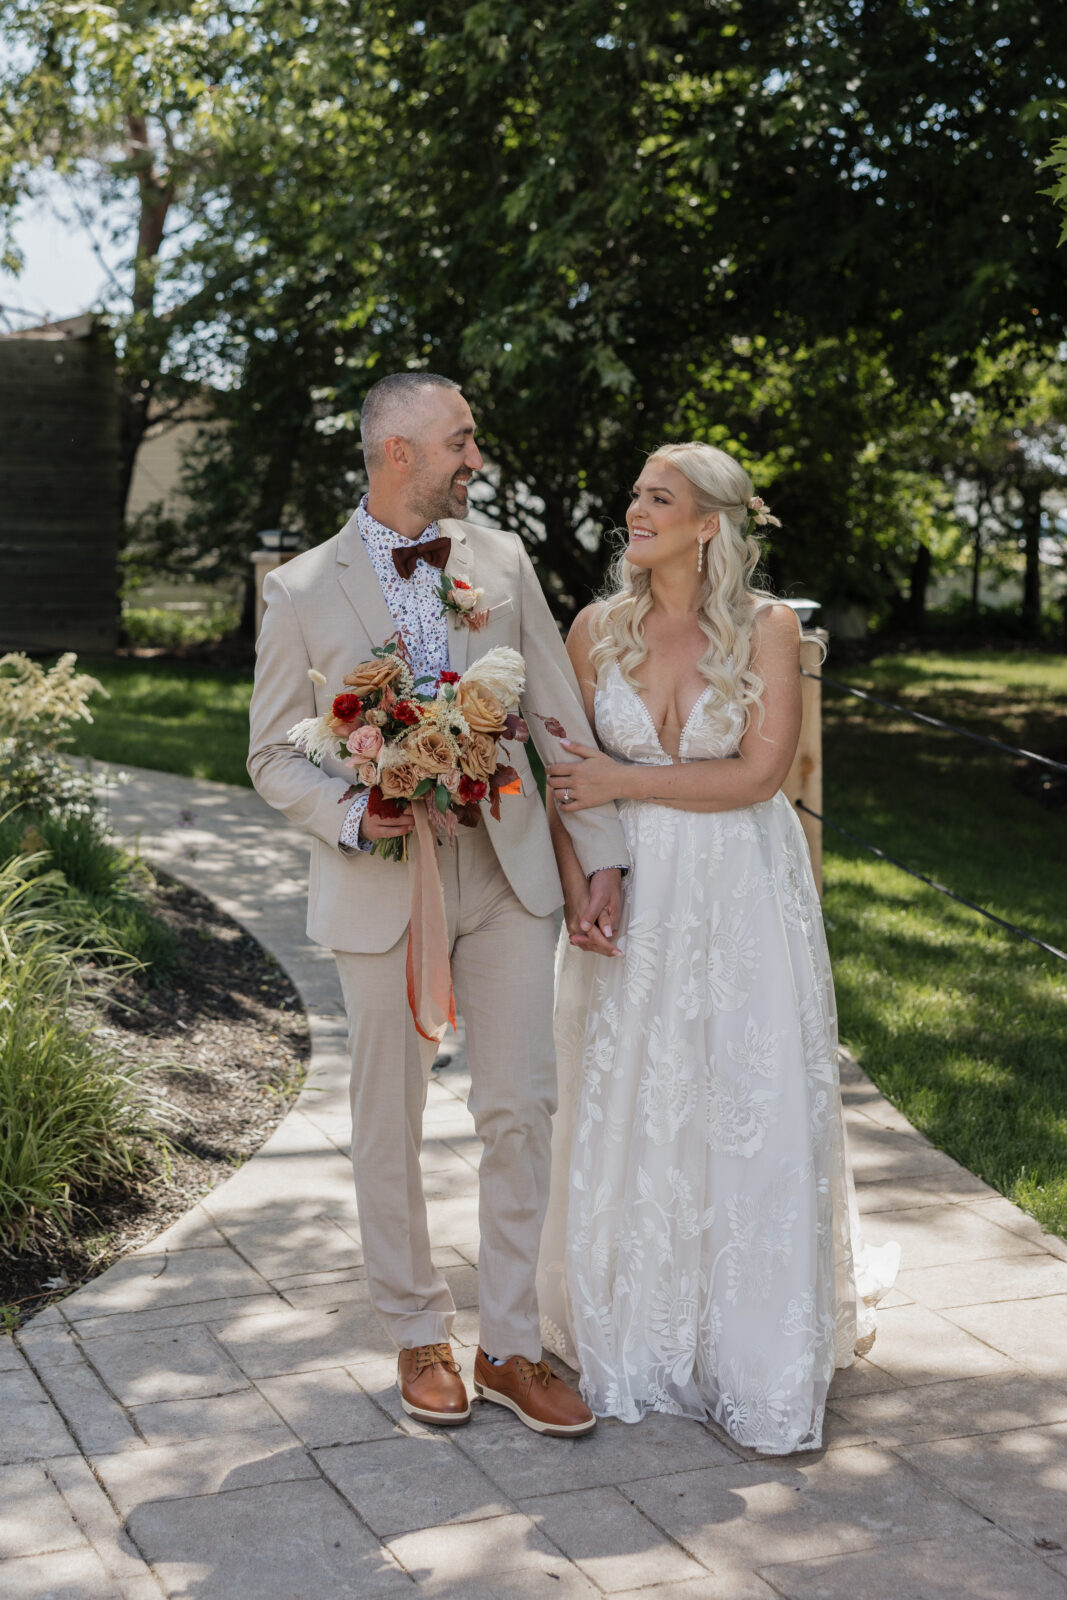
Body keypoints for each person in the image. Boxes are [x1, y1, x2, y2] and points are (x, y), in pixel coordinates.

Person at [248, 372, 630, 1436]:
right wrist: (351, 811)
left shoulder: (501, 562)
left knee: (519, 1104)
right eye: (460, 442)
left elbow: (555, 712)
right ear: (399, 452)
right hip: (381, 878)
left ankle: (508, 1343)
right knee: (388, 1116)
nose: (476, 459)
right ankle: (417, 1329)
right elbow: (272, 752)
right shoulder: (299, 587)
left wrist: (597, 856)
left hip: (507, 873)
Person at [536, 441, 897, 1455]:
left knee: (737, 1097)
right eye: (635, 494)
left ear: (708, 523)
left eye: (661, 497)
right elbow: (567, 776)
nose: (634, 509)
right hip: (629, 893)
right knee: (631, 1099)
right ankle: (636, 1329)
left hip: (737, 893)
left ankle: (750, 1346)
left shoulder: (767, 626)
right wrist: (582, 885)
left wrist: (622, 785)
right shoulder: (592, 630)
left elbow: (759, 772)